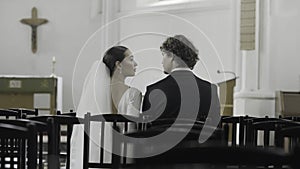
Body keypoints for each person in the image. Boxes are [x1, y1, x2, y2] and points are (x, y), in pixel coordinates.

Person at [70, 46, 142, 169]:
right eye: (131, 59)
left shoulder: (96, 93)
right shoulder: (133, 94)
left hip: (97, 153)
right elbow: (131, 128)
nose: (136, 63)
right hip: (123, 155)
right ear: (118, 64)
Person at [142, 35, 220, 143]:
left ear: (172, 56)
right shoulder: (210, 90)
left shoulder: (153, 90)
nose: (161, 61)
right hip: (199, 154)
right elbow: (215, 128)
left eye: (163, 55)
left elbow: (146, 129)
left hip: (162, 154)